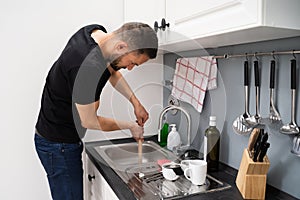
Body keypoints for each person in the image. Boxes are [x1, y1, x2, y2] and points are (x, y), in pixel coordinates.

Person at [34, 22, 158, 200]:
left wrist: (135, 102)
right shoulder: (87, 68)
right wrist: (130, 126)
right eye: (132, 63)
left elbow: (113, 70)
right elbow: (89, 121)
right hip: (58, 144)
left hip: (58, 137)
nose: (130, 68)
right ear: (121, 46)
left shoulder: (94, 34)